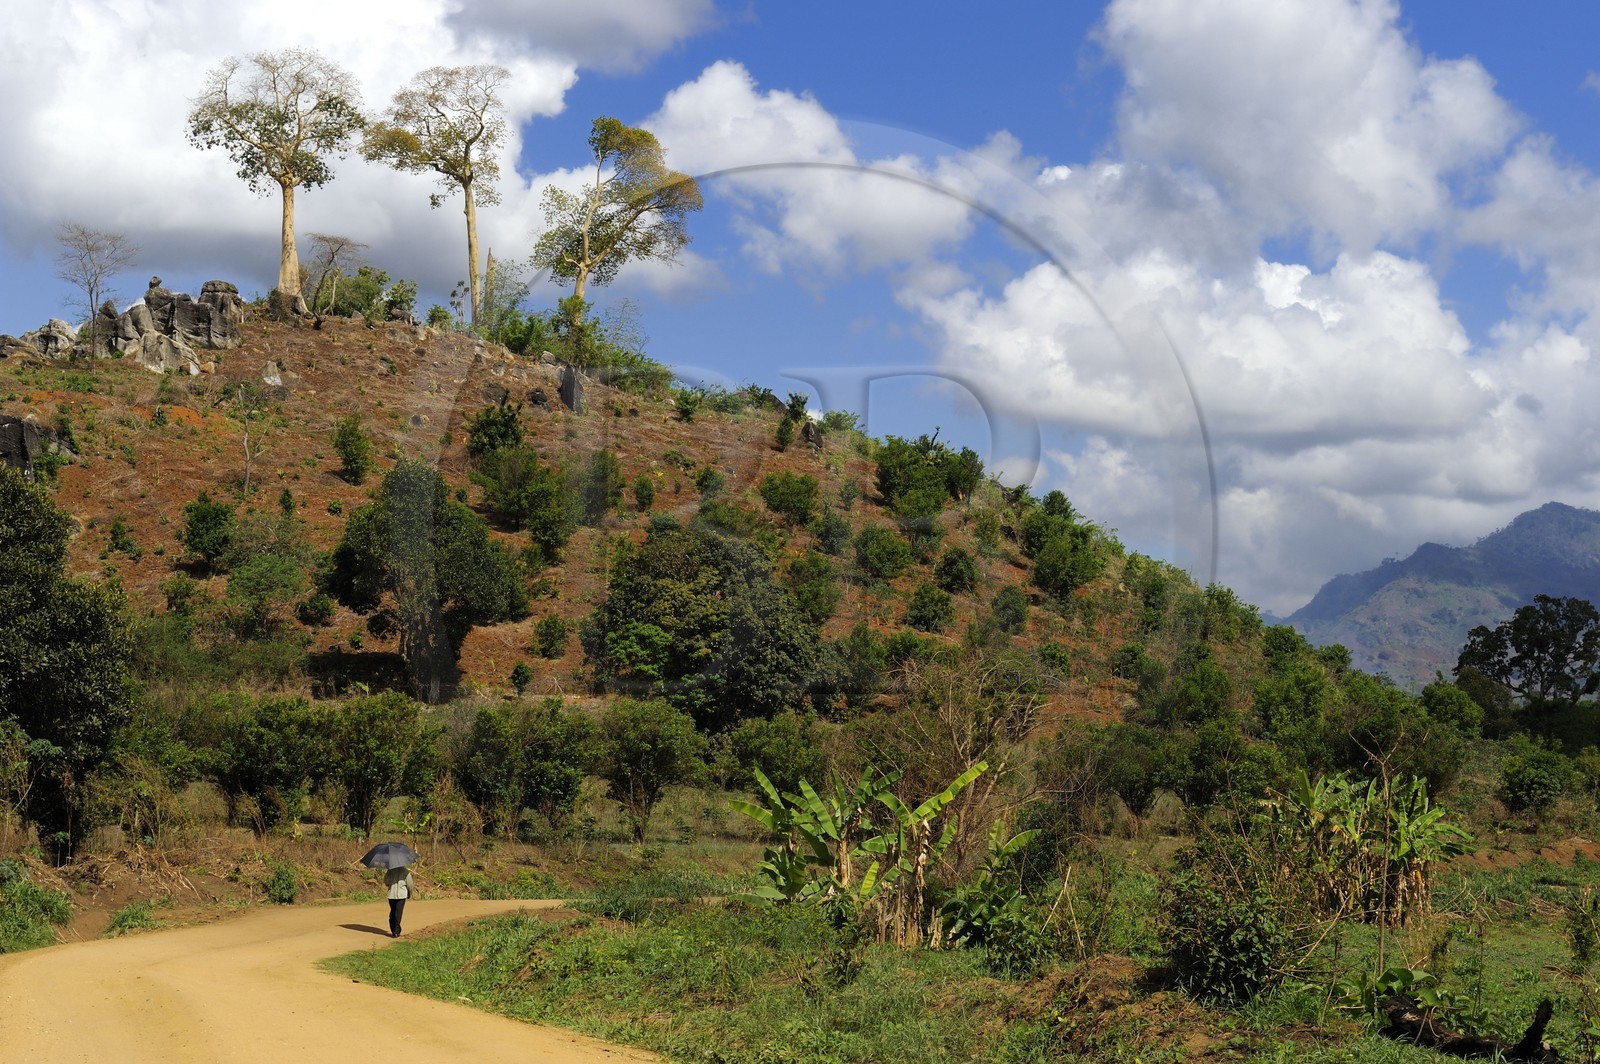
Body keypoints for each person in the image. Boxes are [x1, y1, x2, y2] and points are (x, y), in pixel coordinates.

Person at [384, 863, 414, 938]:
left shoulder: (390, 870)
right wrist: (409, 893)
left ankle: (393, 930)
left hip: (391, 895)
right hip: (401, 895)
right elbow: (410, 884)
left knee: (393, 911)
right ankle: (396, 931)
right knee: (398, 913)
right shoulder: (405, 871)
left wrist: (390, 884)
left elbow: (386, 881)